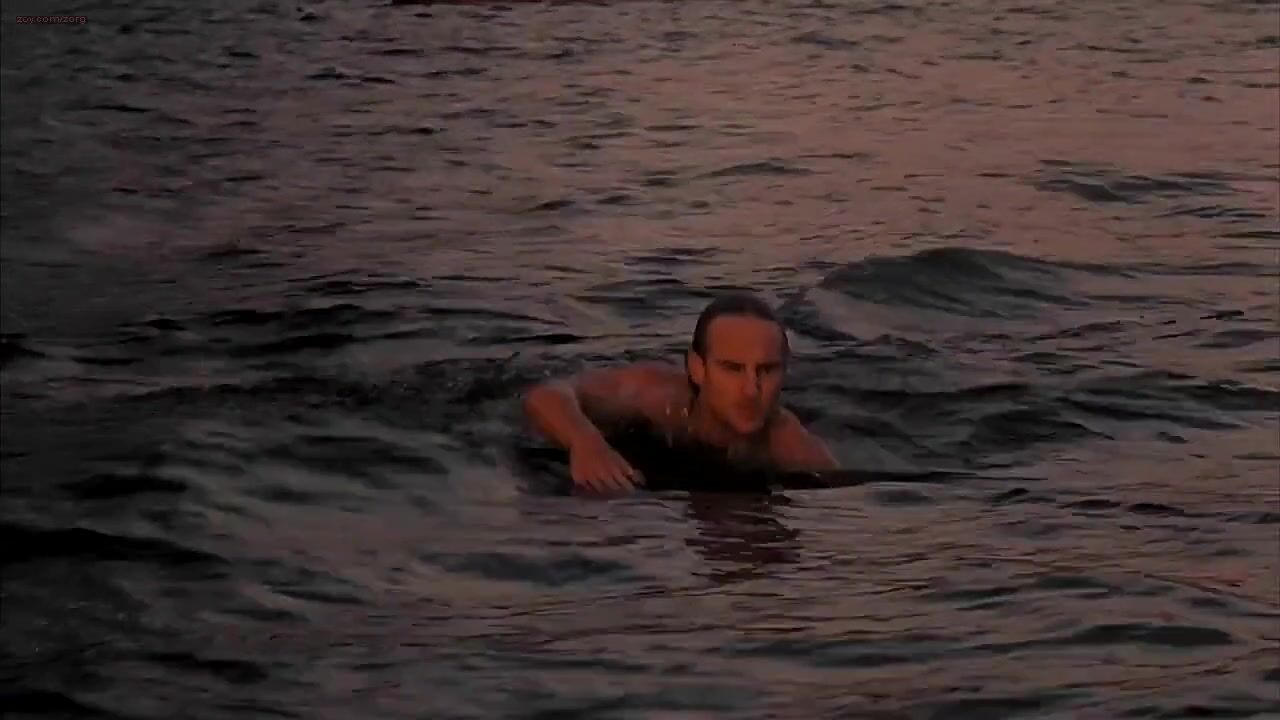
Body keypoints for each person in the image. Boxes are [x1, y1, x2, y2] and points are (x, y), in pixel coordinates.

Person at [522, 292, 838, 494]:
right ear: (697, 368)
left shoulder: (796, 451)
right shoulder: (659, 399)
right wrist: (585, 442)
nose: (750, 389)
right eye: (732, 368)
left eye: (767, 370)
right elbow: (549, 394)